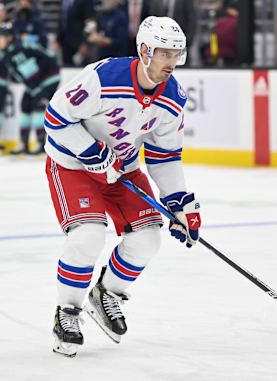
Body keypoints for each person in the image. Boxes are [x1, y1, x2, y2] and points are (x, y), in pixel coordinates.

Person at [45, 16, 202, 357]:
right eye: (165, 54)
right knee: (88, 236)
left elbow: (164, 155)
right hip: (72, 164)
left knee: (147, 239)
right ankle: (67, 312)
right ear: (144, 51)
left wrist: (180, 203)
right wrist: (90, 152)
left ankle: (107, 294)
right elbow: (56, 118)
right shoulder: (104, 77)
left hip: (122, 169)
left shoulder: (173, 97)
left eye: (177, 54)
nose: (172, 63)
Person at [0, 21, 59, 154]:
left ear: (8, 37)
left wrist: (38, 86)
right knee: (25, 105)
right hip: (36, 82)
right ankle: (23, 143)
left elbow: (36, 67)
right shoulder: (9, 52)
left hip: (47, 79)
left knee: (38, 105)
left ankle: (40, 143)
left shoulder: (17, 49)